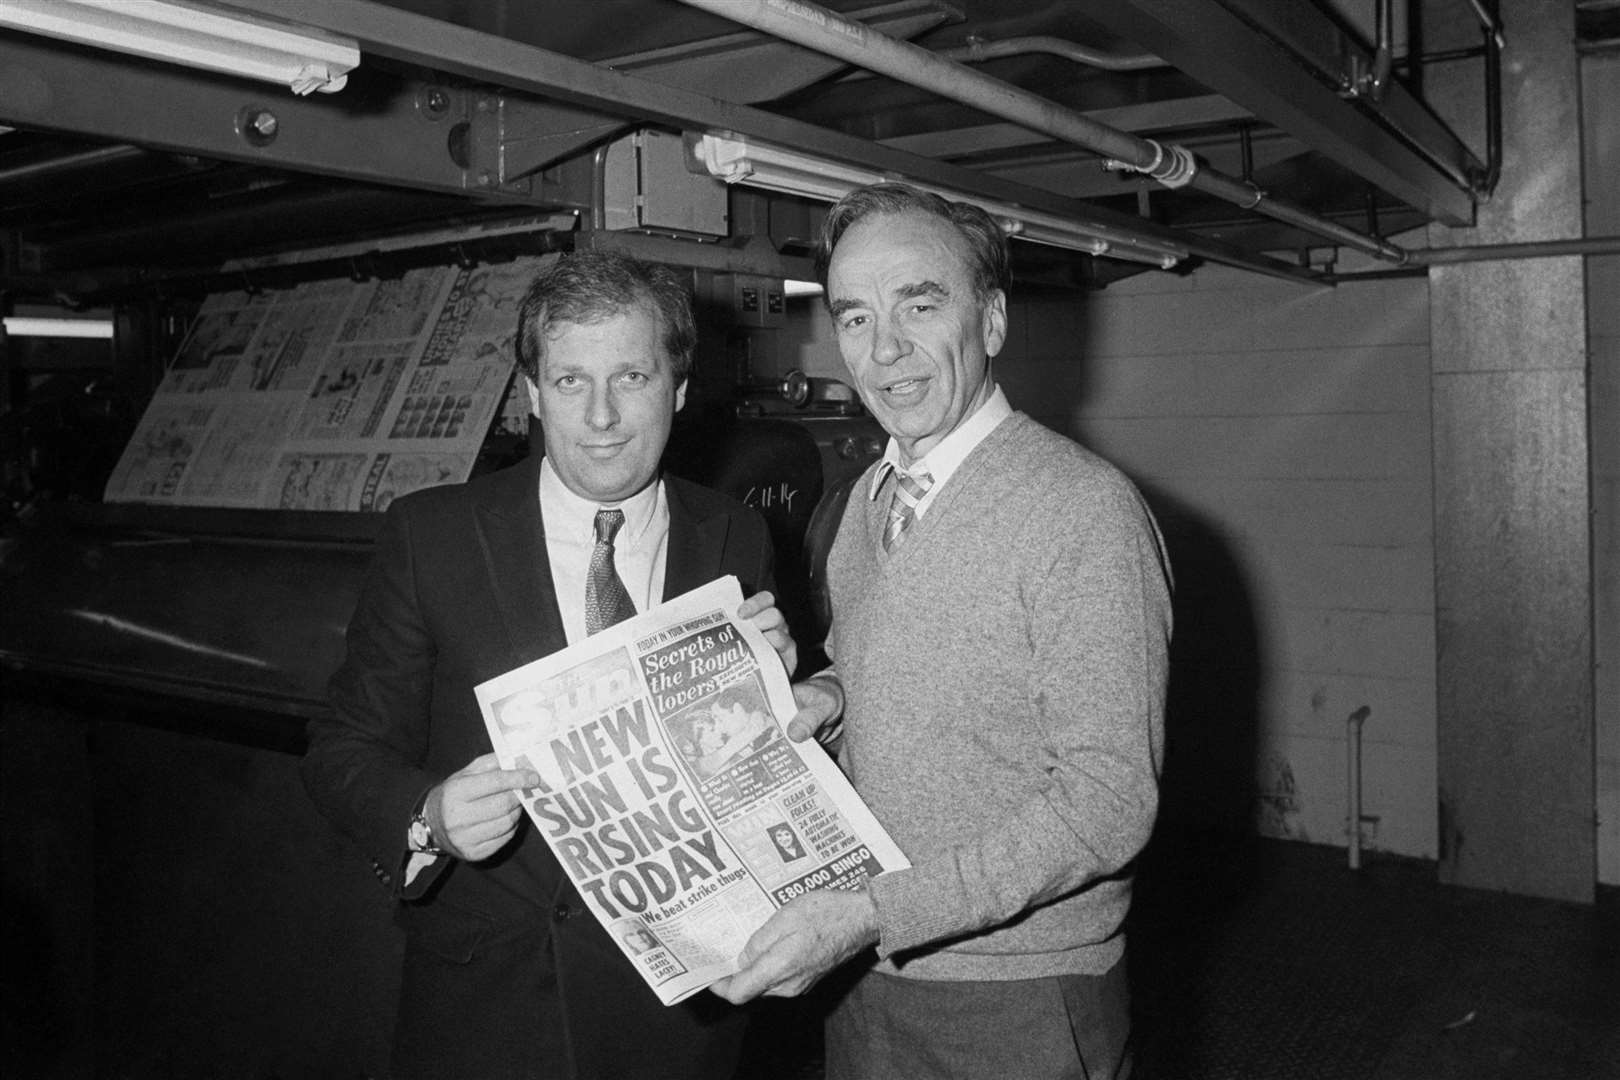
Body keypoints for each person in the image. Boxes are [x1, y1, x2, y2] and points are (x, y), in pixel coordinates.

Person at [709, 183, 1173, 1080]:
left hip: (1017, 997)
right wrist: (829, 695)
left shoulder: (1082, 512)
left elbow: (1109, 803)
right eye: (853, 318)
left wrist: (879, 913)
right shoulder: (866, 503)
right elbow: (882, 664)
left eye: (920, 305)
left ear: (992, 320)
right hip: (869, 983)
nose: (884, 353)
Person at [303, 250, 796, 1080]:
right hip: (493, 1011)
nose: (601, 416)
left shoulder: (734, 538)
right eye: (570, 382)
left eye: (631, 376)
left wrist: (774, 699)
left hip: (684, 1014)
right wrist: (427, 815)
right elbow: (340, 749)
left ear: (678, 387)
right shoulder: (435, 537)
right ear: (532, 393)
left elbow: (756, 782)